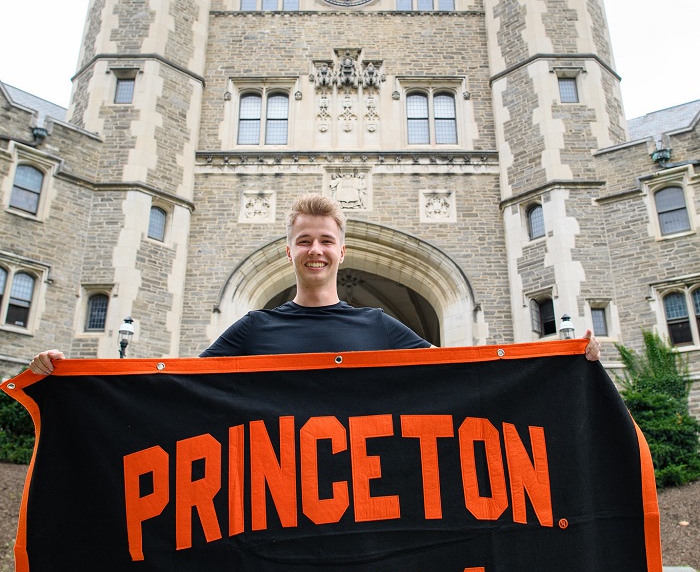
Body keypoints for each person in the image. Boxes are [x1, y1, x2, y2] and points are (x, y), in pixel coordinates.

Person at [29, 192, 601, 371]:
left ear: (341, 248)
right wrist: (79, 375)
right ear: (290, 249)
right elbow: (176, 381)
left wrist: (561, 358)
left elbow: (462, 370)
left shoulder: (379, 325)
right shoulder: (253, 327)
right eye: (305, 240)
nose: (316, 250)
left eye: (325, 240)